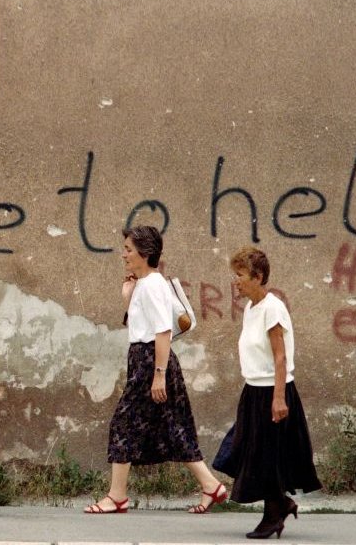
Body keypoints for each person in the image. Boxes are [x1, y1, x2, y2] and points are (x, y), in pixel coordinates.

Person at [84, 225, 228, 514]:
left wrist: (158, 375)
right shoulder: (145, 284)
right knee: (174, 427)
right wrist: (128, 296)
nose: (123, 254)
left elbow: (162, 331)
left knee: (123, 424)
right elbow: (143, 326)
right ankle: (212, 487)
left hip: (151, 361)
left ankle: (117, 496)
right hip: (148, 359)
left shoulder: (152, 285)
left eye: (128, 249)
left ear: (145, 253)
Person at [214, 247, 322, 539]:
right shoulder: (252, 308)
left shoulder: (273, 307)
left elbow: (280, 357)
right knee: (251, 453)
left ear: (258, 277)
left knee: (267, 458)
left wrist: (278, 398)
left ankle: (273, 515)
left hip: (273, 392)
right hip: (253, 391)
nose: (235, 281)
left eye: (240, 275)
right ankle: (282, 504)